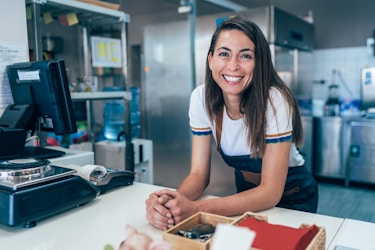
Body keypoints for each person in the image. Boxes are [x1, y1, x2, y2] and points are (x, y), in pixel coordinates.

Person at [145, 16, 318, 231]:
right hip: (246, 195)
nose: (233, 66)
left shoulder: (274, 100)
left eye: (245, 56)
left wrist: (196, 208)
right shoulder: (201, 98)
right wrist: (172, 203)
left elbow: (271, 192)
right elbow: (198, 175)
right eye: (224, 54)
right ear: (210, 60)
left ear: (259, 62)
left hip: (292, 198)